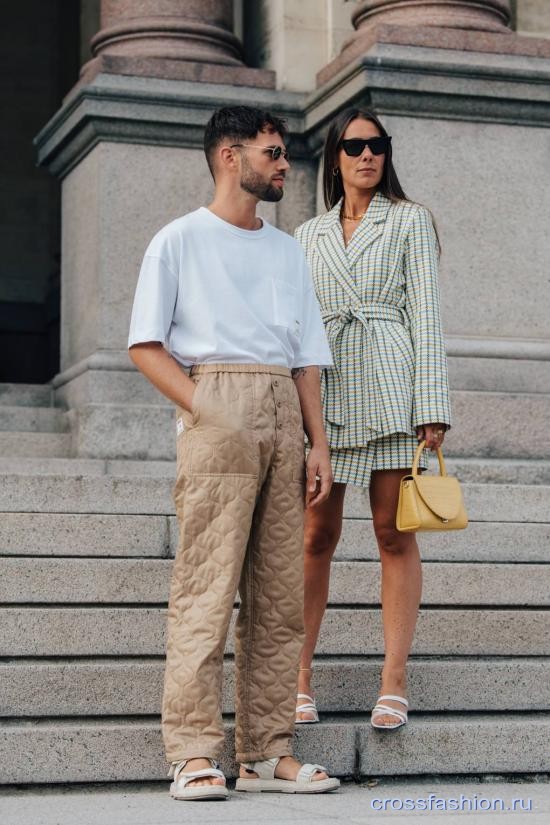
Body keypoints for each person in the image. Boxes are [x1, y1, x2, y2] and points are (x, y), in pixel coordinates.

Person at [128, 105, 340, 800]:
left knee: (279, 597)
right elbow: (146, 344)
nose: (285, 165)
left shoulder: (286, 250)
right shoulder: (179, 240)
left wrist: (319, 441)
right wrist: (201, 405)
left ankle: (267, 750)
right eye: (274, 153)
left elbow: (306, 354)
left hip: (285, 410)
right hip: (215, 398)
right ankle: (192, 750)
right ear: (230, 155)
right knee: (206, 590)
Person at [294, 107, 451, 731]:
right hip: (326, 395)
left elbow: (428, 315)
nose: (367, 155)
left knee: (392, 532)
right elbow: (297, 325)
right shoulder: (307, 234)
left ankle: (393, 678)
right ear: (335, 156)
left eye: (377, 145)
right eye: (354, 146)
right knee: (314, 537)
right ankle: (298, 674)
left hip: (391, 384)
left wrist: (431, 407)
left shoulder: (412, 221)